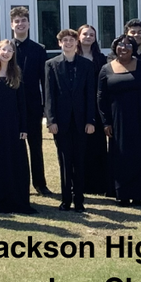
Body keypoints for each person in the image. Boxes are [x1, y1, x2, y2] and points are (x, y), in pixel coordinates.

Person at [98, 34, 141, 206]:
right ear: (114, 47)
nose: (123, 48)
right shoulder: (106, 69)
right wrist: (105, 122)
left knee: (140, 154)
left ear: (133, 48)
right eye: (120, 45)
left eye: (128, 45)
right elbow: (101, 98)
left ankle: (139, 194)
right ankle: (122, 194)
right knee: (120, 155)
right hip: (117, 121)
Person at [45, 30, 97, 212]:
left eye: (71, 40)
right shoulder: (51, 65)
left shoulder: (86, 65)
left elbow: (91, 95)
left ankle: (79, 200)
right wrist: (51, 120)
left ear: (77, 43)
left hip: (82, 122)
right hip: (61, 122)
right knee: (65, 161)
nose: (68, 43)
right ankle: (66, 199)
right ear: (59, 43)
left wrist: (91, 120)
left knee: (80, 161)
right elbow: (49, 95)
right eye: (64, 40)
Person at [0, 39, 35, 214]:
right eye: (3, 50)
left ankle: (18, 200)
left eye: (10, 50)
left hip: (14, 127)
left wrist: (23, 128)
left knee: (17, 164)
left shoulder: (16, 73)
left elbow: (22, 103)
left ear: (13, 54)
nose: (6, 53)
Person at [10, 6, 49, 196]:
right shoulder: (5, 48)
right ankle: (17, 182)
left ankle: (40, 183)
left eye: (23, 20)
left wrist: (45, 107)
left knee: (36, 145)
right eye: (16, 21)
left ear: (29, 23)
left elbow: (45, 81)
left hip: (33, 105)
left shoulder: (39, 49)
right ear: (11, 25)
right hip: (12, 106)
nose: (20, 24)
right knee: (15, 146)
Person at [77, 24, 110, 195]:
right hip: (78, 107)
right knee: (80, 146)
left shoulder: (101, 58)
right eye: (85, 34)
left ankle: (98, 184)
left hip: (96, 107)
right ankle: (81, 184)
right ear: (79, 36)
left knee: (97, 146)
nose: (88, 37)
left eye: (92, 34)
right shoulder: (73, 57)